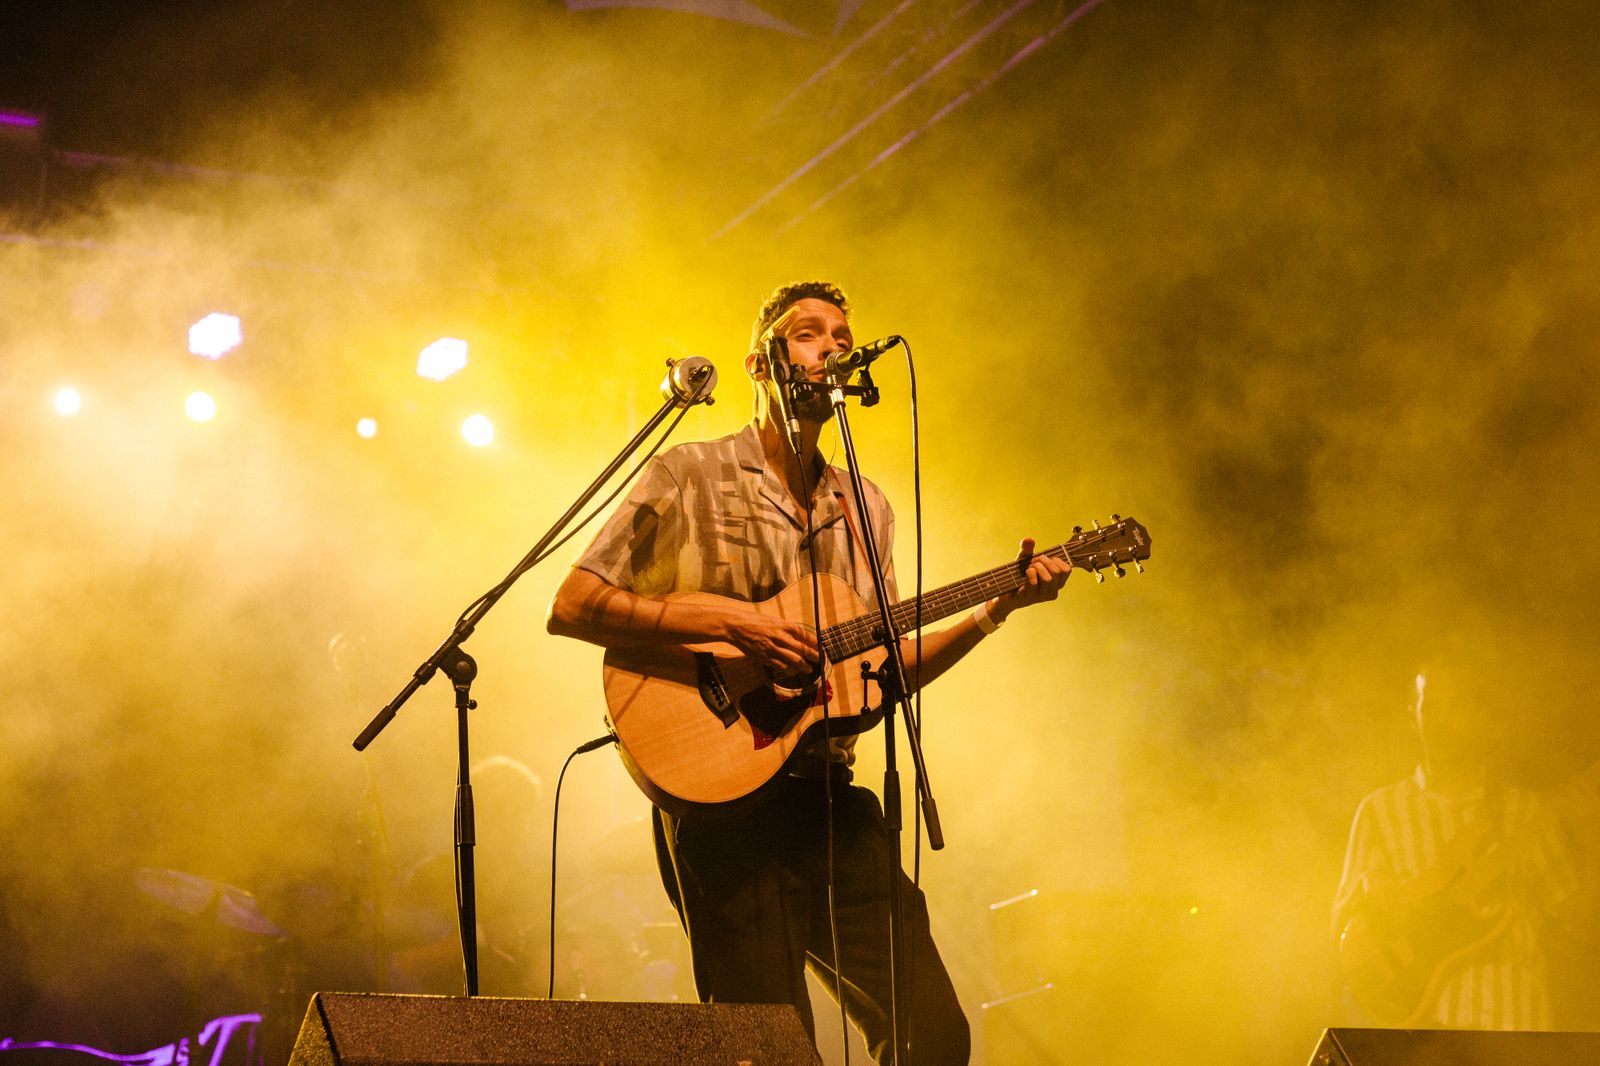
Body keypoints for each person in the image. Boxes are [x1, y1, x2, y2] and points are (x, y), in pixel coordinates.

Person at [547, 280, 1071, 1064]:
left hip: (829, 798)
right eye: (809, 334)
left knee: (932, 1033)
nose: (832, 346)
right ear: (762, 363)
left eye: (841, 335)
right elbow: (575, 603)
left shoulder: (868, 505)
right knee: (767, 1051)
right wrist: (737, 623)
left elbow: (882, 671)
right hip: (719, 803)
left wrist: (993, 611)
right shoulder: (687, 472)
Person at [1332, 656, 1597, 1029]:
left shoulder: (1525, 811)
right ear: (1414, 714)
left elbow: (1583, 925)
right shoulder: (1379, 811)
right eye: (1432, 704)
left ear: (1483, 717)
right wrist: (1413, 892)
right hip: (1420, 1033)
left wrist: (1590, 835)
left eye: (1457, 704)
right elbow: (1344, 921)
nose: (1442, 719)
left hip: (1516, 1023)